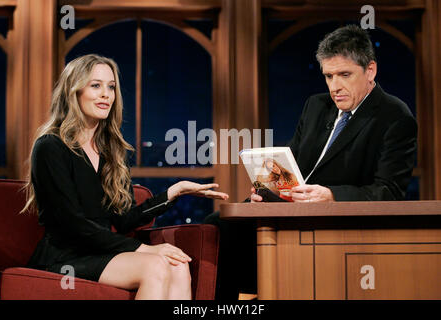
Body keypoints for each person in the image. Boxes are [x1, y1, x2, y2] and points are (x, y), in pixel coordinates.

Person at [205, 24, 417, 299]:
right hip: (292, 209)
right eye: (328, 76)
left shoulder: (395, 117)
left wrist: (331, 196)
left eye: (344, 75)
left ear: (370, 71)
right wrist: (269, 189)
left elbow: (389, 192)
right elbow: (295, 165)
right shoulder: (316, 106)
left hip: (338, 221)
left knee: (236, 238)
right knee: (217, 224)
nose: (334, 87)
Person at [22, 54, 229, 300]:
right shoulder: (50, 146)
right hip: (64, 256)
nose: (106, 94)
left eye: (111, 87)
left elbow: (124, 220)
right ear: (74, 92)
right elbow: (71, 225)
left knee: (178, 266)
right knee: (155, 265)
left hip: (101, 252)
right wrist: (143, 249)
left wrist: (175, 192)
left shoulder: (112, 151)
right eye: (95, 85)